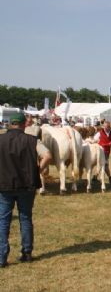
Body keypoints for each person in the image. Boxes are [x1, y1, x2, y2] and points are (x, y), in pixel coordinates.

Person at [0, 113, 51, 268]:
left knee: (3, 221)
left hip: (4, 185)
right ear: (24, 125)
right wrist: (37, 170)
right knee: (25, 218)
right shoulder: (32, 140)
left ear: (9, 124)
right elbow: (47, 155)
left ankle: (1, 258)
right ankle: (27, 252)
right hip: (27, 185)